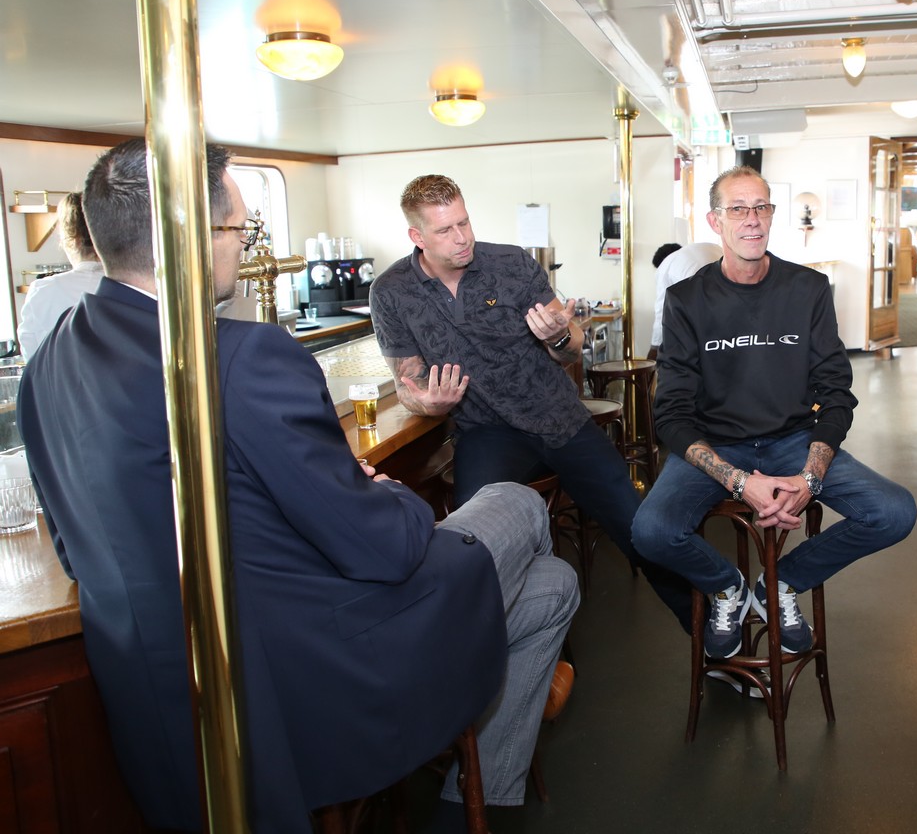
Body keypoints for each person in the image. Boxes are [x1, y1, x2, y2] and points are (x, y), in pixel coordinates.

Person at [17, 140, 578, 833]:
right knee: (518, 505)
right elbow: (384, 548)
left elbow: (78, 552)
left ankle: (472, 797)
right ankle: (469, 775)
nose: (244, 247)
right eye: (240, 230)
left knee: (553, 586)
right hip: (310, 677)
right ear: (191, 238)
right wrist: (382, 490)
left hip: (160, 704)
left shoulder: (49, 366)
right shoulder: (240, 359)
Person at [368, 174, 692, 629]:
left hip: (558, 417)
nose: (462, 237)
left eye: (464, 222)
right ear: (416, 237)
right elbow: (407, 383)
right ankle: (496, 651)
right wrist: (431, 403)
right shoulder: (391, 292)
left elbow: (570, 347)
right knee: (475, 543)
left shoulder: (511, 263)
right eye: (445, 230)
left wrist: (559, 336)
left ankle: (705, 628)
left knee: (638, 528)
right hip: (487, 433)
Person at [632, 165, 915, 672]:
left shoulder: (808, 289)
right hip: (716, 445)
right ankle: (727, 588)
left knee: (894, 512)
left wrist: (811, 477)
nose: (752, 219)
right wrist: (741, 483)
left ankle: (781, 582)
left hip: (792, 440)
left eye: (761, 207)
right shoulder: (687, 300)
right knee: (650, 531)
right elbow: (670, 414)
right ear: (715, 221)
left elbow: (836, 392)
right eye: (738, 209)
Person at [17, 191, 103, 359]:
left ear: (71, 240)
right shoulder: (131, 284)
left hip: (61, 376)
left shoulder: (44, 290)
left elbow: (31, 355)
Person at [649, 239, 722, 356]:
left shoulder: (665, 266)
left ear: (660, 263)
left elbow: (661, 311)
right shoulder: (705, 248)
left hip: (703, 307)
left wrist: (654, 347)